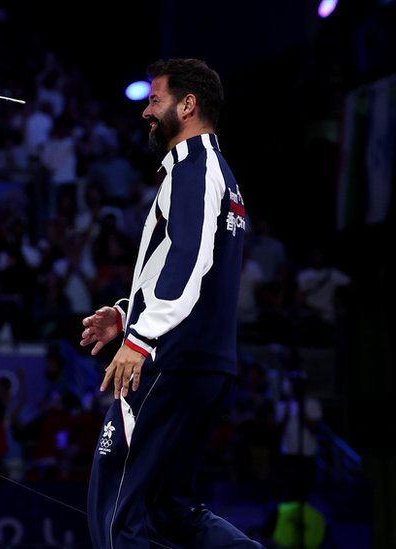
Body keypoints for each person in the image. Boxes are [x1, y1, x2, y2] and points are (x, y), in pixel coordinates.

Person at [79, 59, 262, 548]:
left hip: (169, 364)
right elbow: (193, 268)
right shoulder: (220, 173)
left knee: (115, 516)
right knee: (170, 511)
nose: (145, 111)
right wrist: (125, 314)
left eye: (154, 100)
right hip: (202, 363)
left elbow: (187, 260)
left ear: (188, 105)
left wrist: (140, 340)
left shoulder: (196, 170)